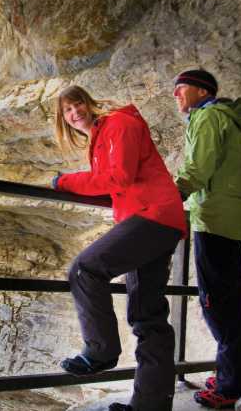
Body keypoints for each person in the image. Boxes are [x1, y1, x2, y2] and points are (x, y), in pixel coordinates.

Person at [50, 85, 187, 411]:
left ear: (89, 103)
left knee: (85, 269)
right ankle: (150, 405)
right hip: (157, 219)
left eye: (78, 104)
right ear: (63, 119)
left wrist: (64, 181)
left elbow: (120, 177)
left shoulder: (119, 124)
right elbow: (111, 180)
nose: (75, 112)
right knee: (148, 316)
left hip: (152, 217)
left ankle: (100, 351)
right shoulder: (101, 137)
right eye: (67, 110)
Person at [170, 69, 241, 409]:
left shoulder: (207, 117)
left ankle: (230, 386)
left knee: (218, 305)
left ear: (201, 91)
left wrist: (171, 196)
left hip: (213, 219)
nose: (176, 95)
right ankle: (236, 372)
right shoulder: (232, 121)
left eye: (181, 88)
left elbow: (198, 167)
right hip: (234, 219)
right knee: (233, 299)